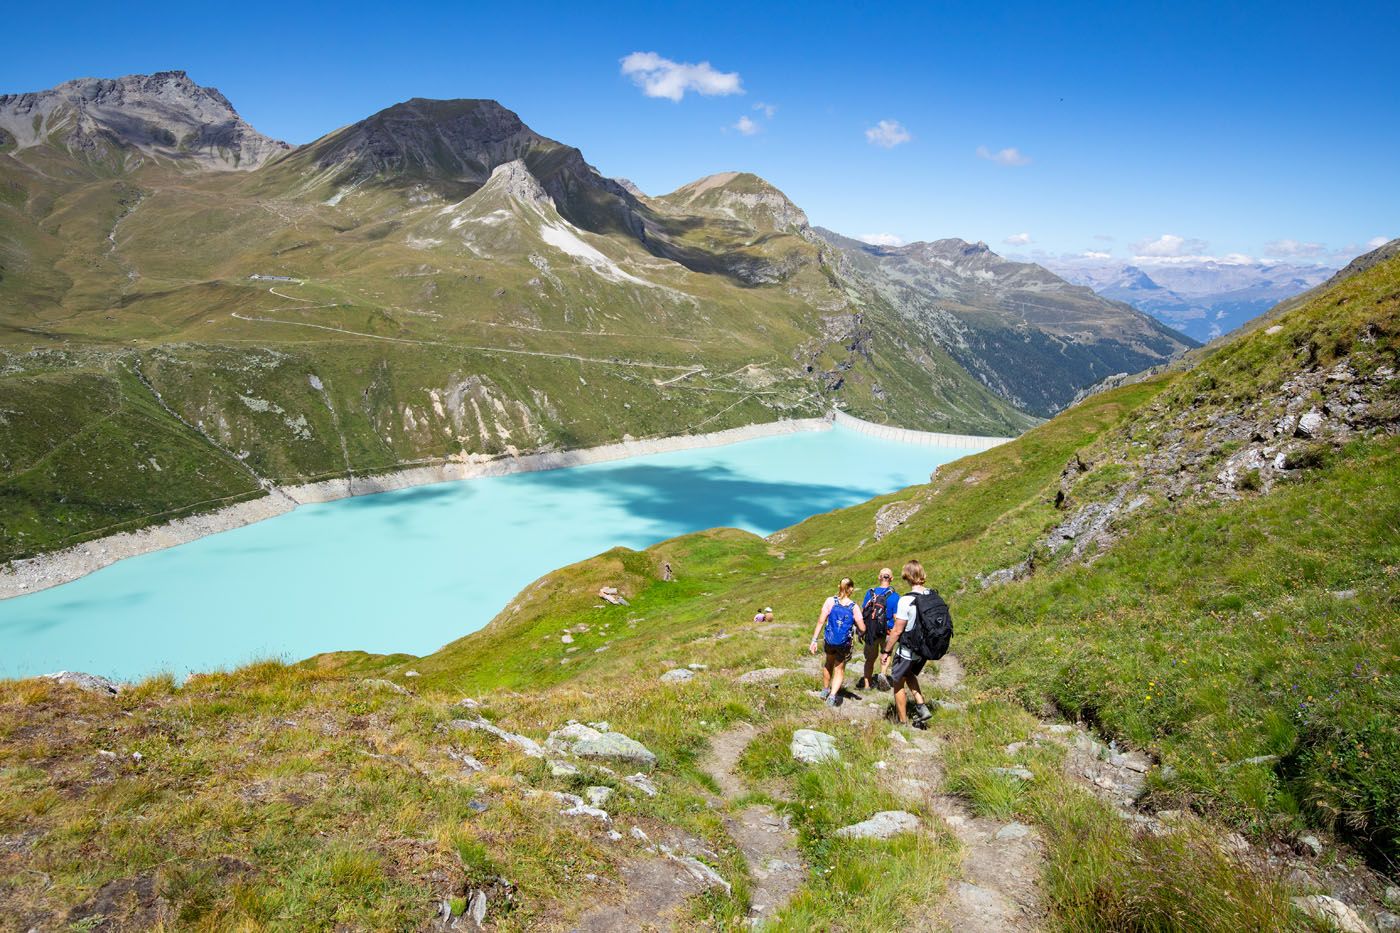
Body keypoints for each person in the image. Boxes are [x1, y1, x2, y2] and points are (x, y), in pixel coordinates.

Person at [885, 560, 935, 726]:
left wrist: (886, 651)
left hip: (908, 649)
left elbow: (897, 631)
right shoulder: (931, 595)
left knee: (898, 681)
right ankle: (921, 706)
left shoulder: (905, 600)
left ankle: (902, 721)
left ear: (906, 576)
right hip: (925, 649)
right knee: (909, 674)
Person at [809, 578, 865, 707]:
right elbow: (862, 628)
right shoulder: (854, 607)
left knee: (828, 662)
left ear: (839, 586)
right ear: (850, 589)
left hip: (829, 640)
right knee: (839, 668)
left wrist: (814, 640)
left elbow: (820, 621)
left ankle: (824, 690)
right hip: (843, 643)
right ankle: (833, 696)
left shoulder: (830, 601)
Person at [859, 569, 900, 690]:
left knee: (870, 659)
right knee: (886, 654)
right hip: (888, 631)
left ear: (879, 577)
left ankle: (867, 685)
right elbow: (896, 617)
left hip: (871, 631)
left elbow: (864, 613)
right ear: (891, 579)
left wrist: (862, 631)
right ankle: (882, 675)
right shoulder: (895, 596)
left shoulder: (870, 593)